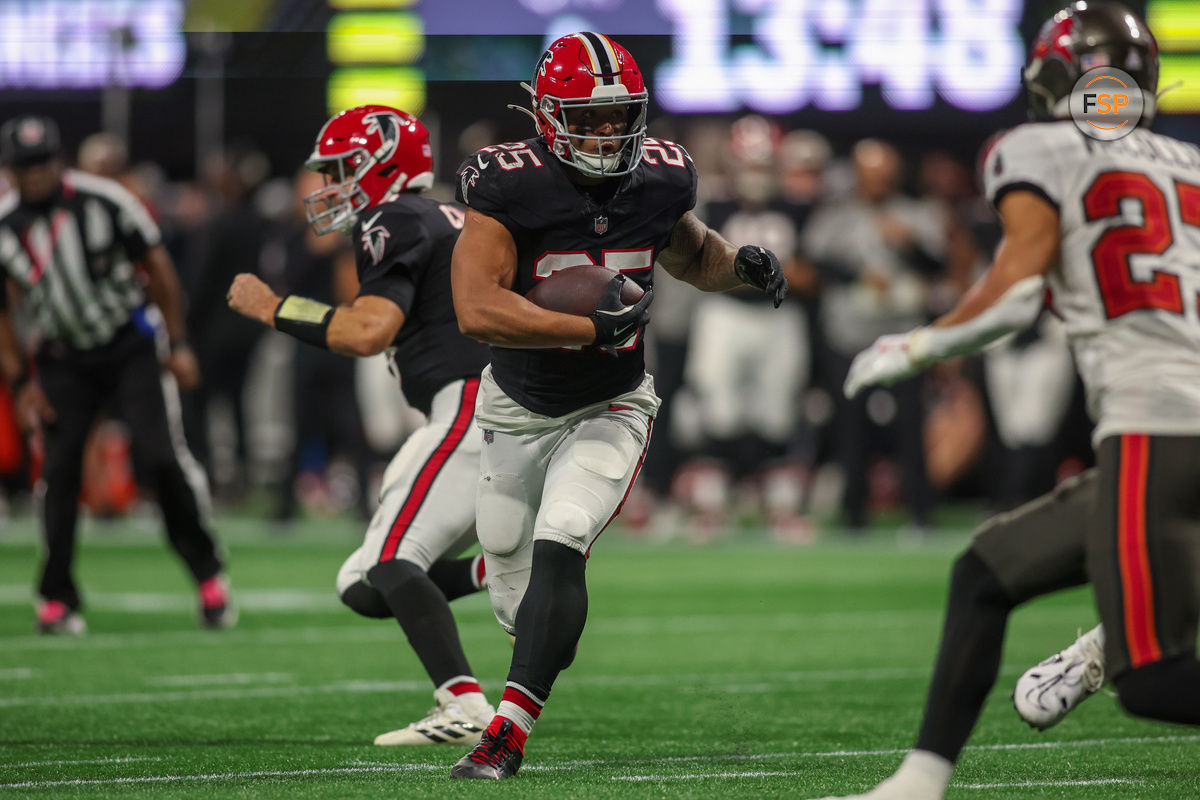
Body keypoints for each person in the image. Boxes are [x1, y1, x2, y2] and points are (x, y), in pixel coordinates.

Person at [814, 4, 1200, 798]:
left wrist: (912, 345)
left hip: (1158, 424)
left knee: (1155, 682)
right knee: (985, 571)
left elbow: (1016, 294)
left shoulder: (1036, 146)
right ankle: (918, 783)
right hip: (1171, 423)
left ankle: (1113, 642)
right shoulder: (1189, 163)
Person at [448, 32, 787, 779]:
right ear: (546, 114)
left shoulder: (660, 177)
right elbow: (476, 310)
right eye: (588, 118)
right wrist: (583, 326)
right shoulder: (509, 184)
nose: (607, 133)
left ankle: (506, 734)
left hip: (612, 401)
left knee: (565, 535)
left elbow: (693, 255)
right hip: (517, 404)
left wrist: (742, 266)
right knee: (517, 587)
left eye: (619, 116)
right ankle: (512, 605)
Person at [226, 105, 496, 746]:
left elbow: (369, 331)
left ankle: (465, 705)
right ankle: (501, 573)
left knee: (391, 559)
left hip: (470, 406)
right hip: (487, 405)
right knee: (362, 582)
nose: (330, 186)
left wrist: (273, 308)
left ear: (381, 166)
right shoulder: (449, 216)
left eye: (343, 169)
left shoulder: (394, 216)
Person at [0, 115, 231, 634]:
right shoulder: (5, 226)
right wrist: (20, 384)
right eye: (24, 166)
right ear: (10, 170)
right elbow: (2, 317)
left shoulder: (104, 201)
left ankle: (207, 574)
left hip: (129, 346)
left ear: (58, 160)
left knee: (159, 458)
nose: (35, 175)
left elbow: (160, 268)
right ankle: (56, 597)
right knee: (58, 473)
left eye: (42, 163)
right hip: (62, 358)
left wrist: (179, 343)